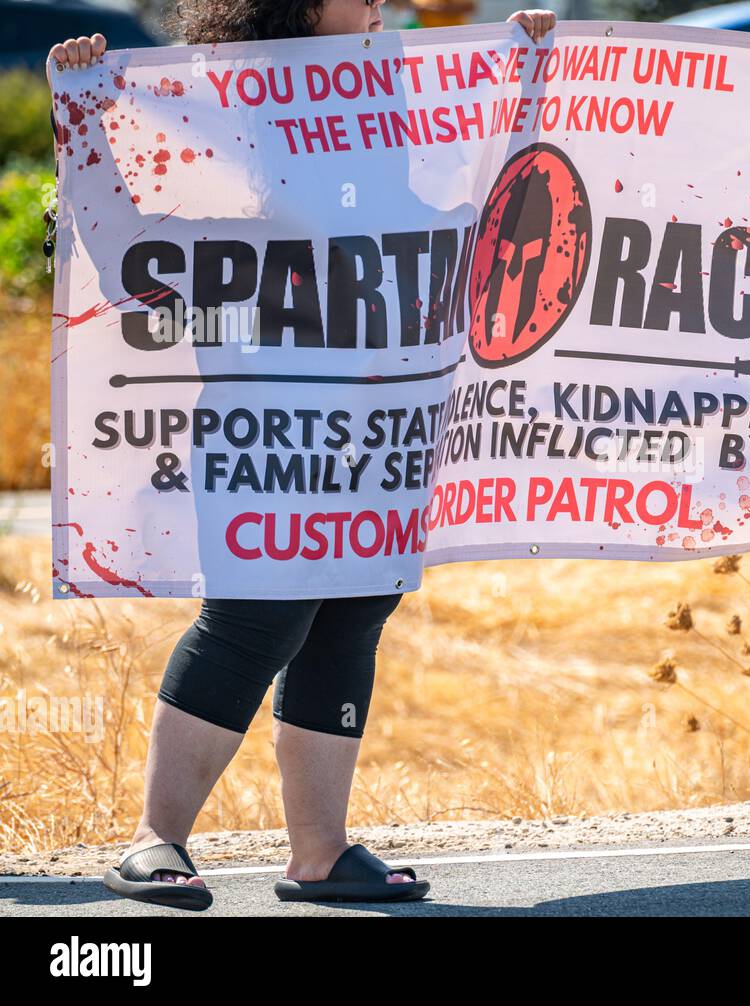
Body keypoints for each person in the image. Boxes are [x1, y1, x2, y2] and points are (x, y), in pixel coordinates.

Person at [48, 0, 558, 910]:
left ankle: (319, 855)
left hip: (383, 431)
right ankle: (153, 842)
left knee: (352, 612)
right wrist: (85, 108)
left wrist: (522, 74)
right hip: (268, 430)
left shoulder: (403, 94)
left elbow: (487, 188)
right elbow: (130, 255)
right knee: (257, 618)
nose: (375, 5)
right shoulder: (225, 110)